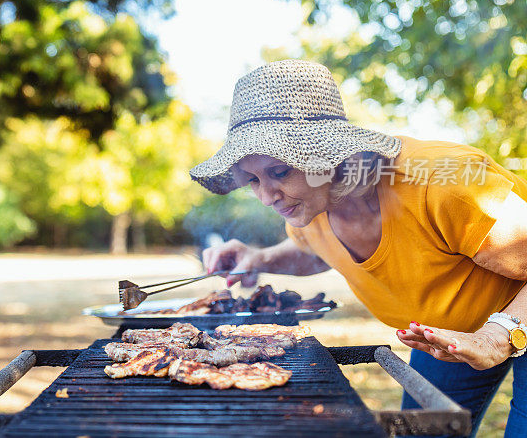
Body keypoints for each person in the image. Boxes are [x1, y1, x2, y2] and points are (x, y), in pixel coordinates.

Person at [190, 60, 527, 438]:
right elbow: (315, 250)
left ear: (326, 157)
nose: (266, 197)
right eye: (252, 179)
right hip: (451, 330)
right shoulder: (310, 208)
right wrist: (261, 258)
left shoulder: (442, 185)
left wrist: (498, 336)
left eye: (280, 172)